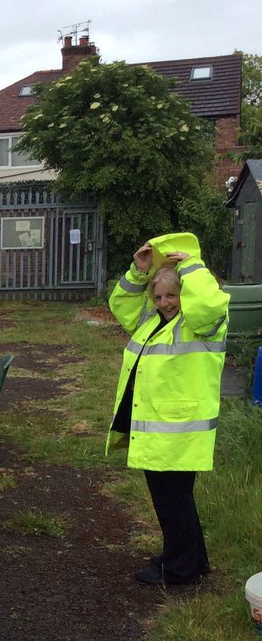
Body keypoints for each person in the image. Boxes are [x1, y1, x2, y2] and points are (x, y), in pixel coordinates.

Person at [107, 233, 229, 586]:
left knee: (173, 500)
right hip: (162, 427)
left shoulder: (202, 321)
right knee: (174, 499)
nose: (165, 302)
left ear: (185, 294)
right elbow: (121, 305)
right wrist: (139, 271)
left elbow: (207, 303)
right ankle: (191, 557)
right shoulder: (152, 320)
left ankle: (180, 569)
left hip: (179, 428)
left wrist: (191, 266)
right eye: (158, 296)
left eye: (172, 295)